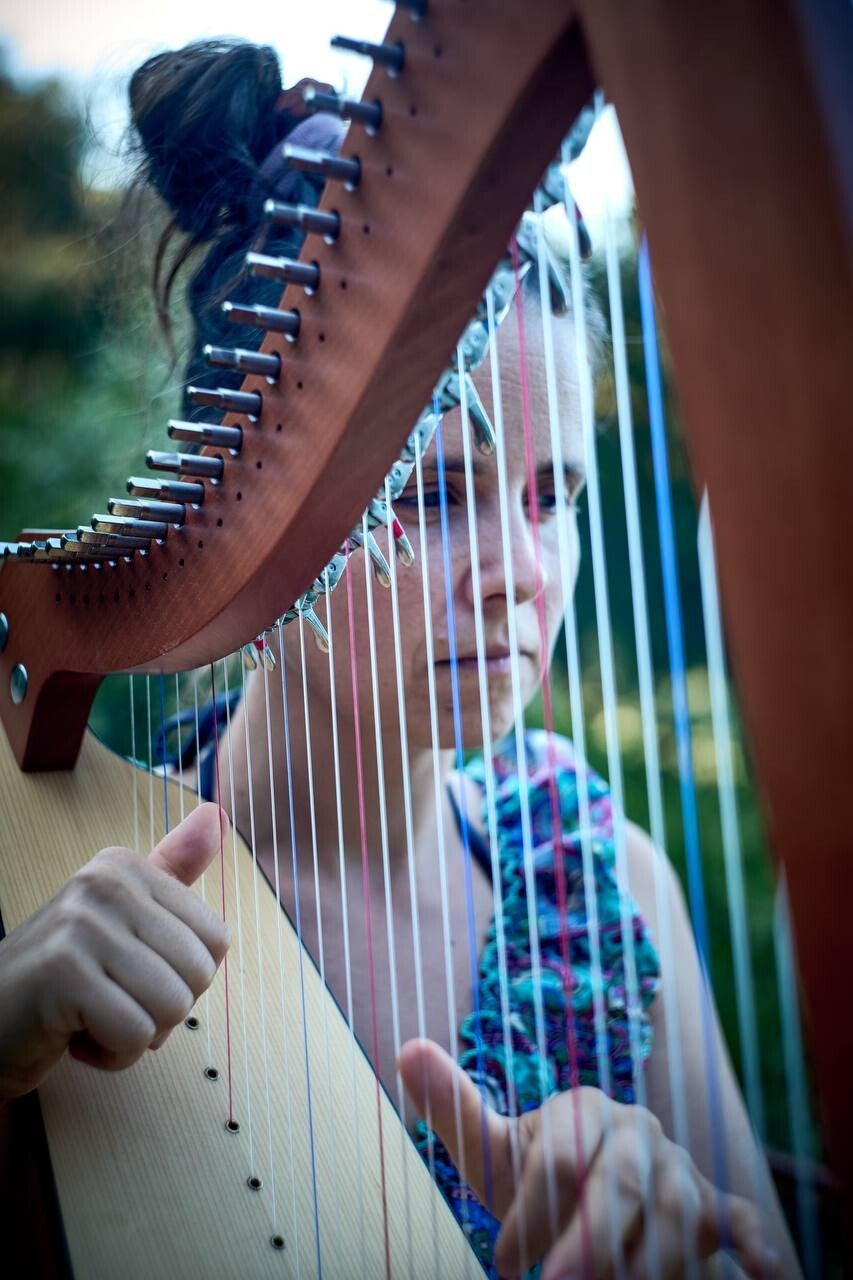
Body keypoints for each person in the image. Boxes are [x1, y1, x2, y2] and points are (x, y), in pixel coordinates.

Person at [0, 39, 800, 1280]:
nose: (521, 570)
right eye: (437, 492)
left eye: (552, 493)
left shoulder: (608, 886)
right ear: (263, 512)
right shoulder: (67, 910)